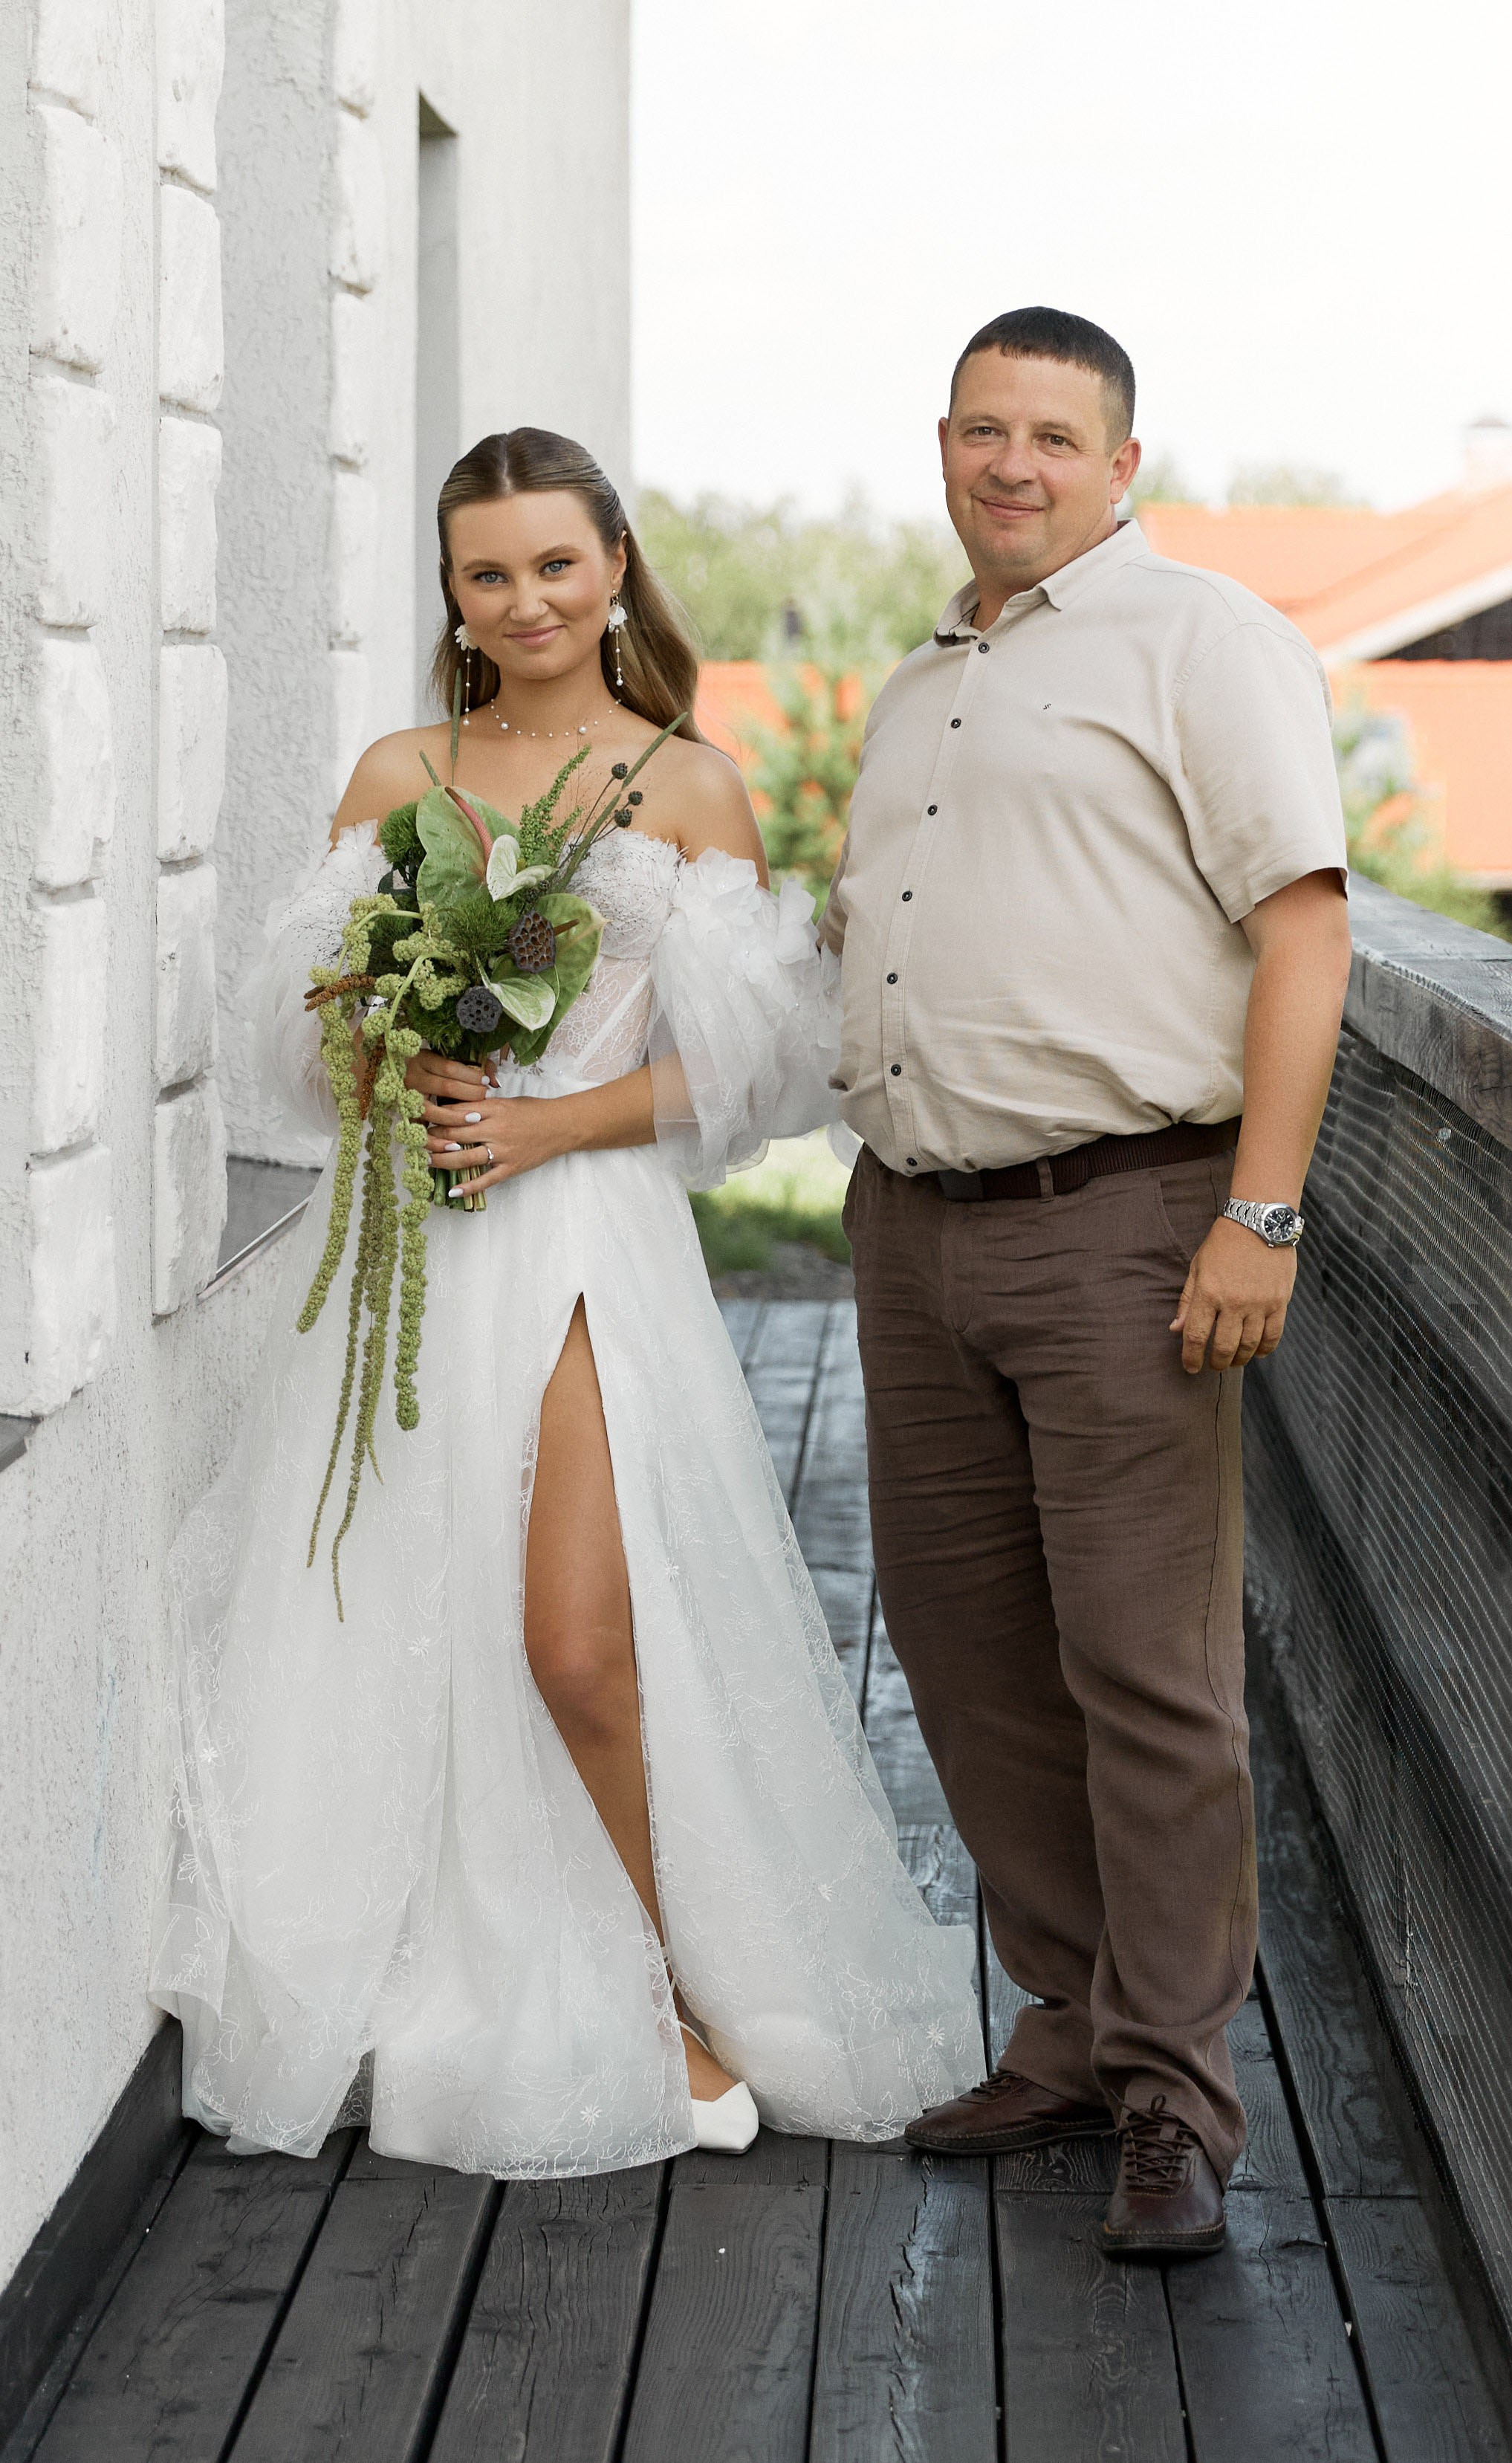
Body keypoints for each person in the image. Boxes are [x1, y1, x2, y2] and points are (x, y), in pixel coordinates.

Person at [151, 427, 983, 2175]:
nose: (524, 601)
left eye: (555, 563)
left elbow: (741, 1077)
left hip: (592, 1236)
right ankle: (509, 1963)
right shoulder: (397, 773)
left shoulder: (688, 785)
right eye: (485, 572)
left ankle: (683, 1989)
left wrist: (545, 1121)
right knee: (412, 1615)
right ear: (450, 594)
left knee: (574, 1639)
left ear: (614, 567)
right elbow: (312, 1045)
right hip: (425, 1243)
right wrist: (386, 1052)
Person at [823, 308, 1352, 2257]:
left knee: (1148, 1677)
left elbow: (1304, 930)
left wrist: (1261, 1212)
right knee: (967, 1660)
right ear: (943, 445)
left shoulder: (1202, 641)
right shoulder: (922, 679)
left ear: (1122, 460)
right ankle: (1065, 2026)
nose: (1011, 462)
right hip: (914, 1226)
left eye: (1052, 433)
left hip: (1126, 1224)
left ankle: (1177, 2096)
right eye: (980, 429)